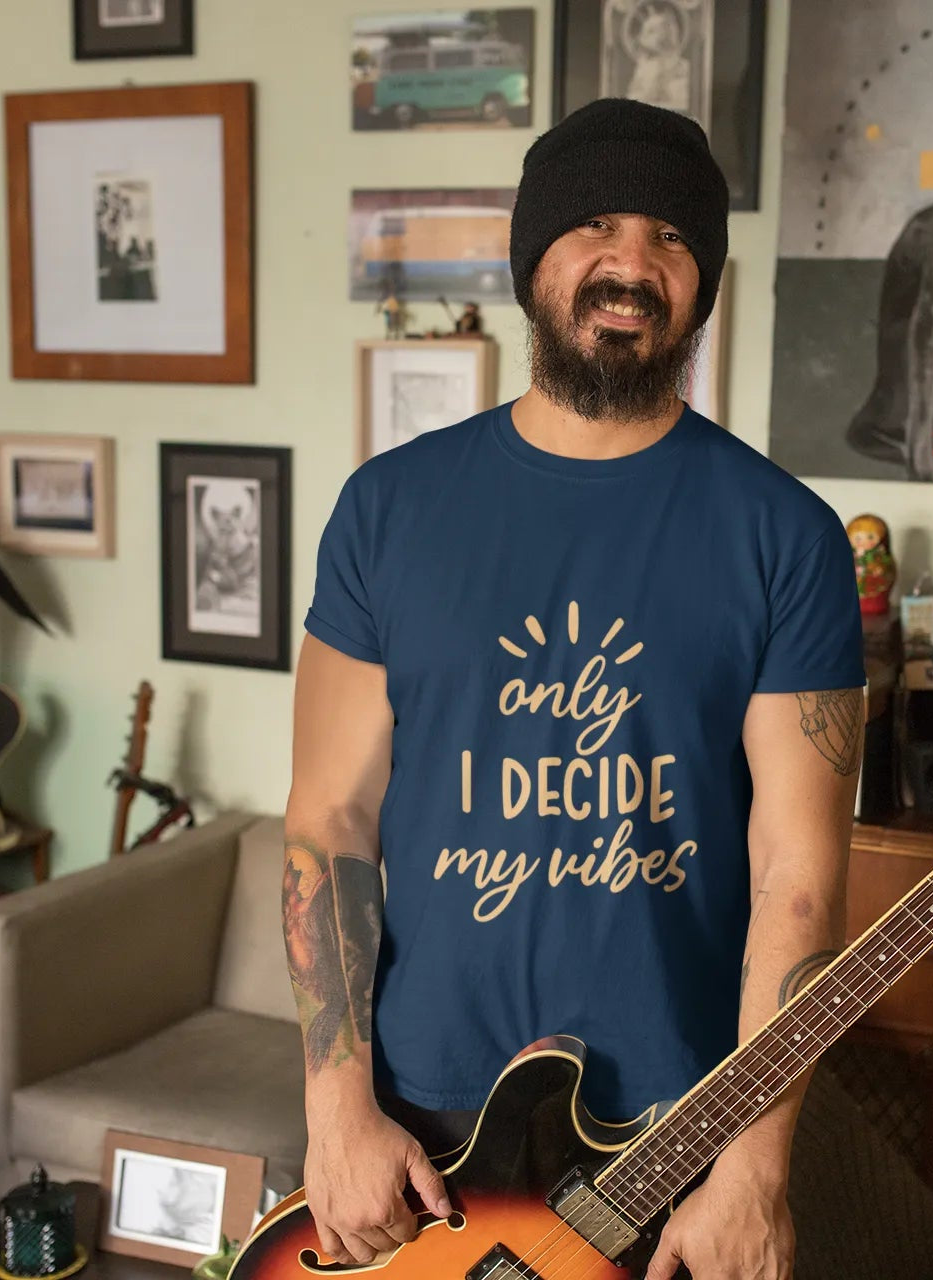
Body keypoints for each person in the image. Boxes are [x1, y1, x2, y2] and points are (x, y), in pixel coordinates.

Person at [285, 98, 865, 1280]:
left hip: (674, 1134)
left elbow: (798, 873)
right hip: (420, 1125)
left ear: (702, 281)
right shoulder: (386, 512)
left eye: (671, 236)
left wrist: (753, 1167)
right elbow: (329, 818)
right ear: (532, 256)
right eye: (596, 223)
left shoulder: (788, 538)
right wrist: (336, 1110)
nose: (632, 263)